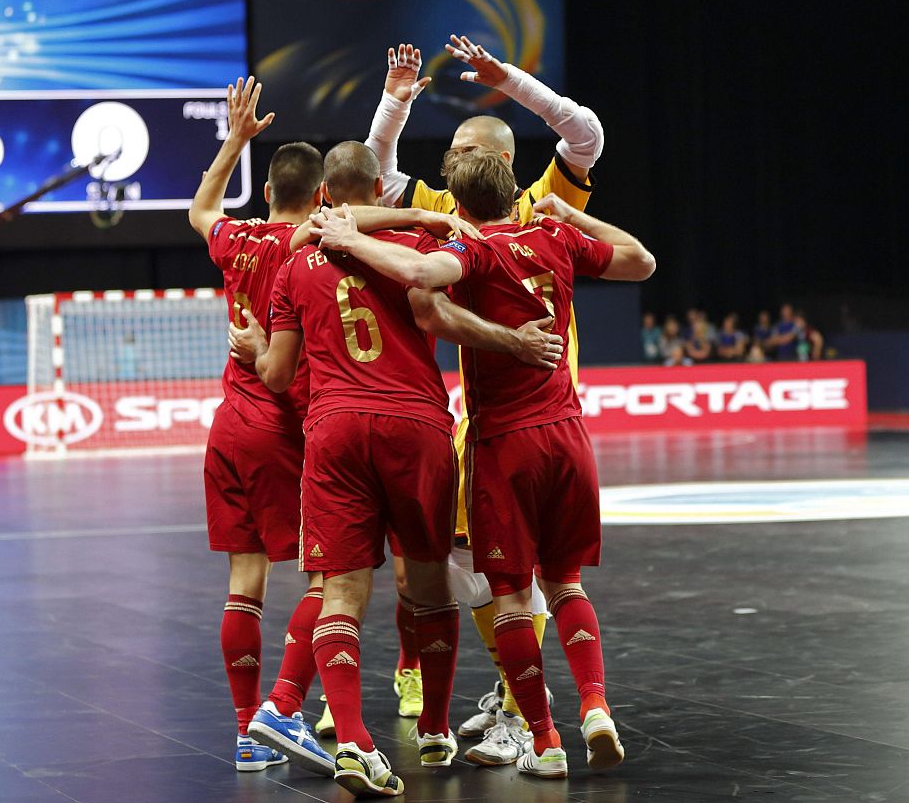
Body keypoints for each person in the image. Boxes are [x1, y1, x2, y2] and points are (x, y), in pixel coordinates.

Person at [230, 141, 563, 798]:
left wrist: (256, 348)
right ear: (381, 189)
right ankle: (435, 729)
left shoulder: (295, 263)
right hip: (416, 429)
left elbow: (278, 374)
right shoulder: (414, 243)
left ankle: (354, 741)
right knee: (430, 584)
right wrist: (515, 342)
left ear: (324, 195)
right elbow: (444, 314)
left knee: (341, 593)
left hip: (335, 432)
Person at [309, 150, 654, 778]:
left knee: (512, 598)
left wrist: (351, 237)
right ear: (516, 192)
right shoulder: (554, 237)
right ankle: (596, 705)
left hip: (505, 443)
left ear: (461, 207)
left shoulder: (475, 248)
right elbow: (641, 260)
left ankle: (543, 740)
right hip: (569, 434)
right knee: (566, 584)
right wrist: (572, 216)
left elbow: (420, 274)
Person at [362, 39, 605, 733]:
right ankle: (520, 700)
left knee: (512, 575)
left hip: (537, 413)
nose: (451, 161)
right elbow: (380, 176)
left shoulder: (539, 207)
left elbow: (585, 135)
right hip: (487, 417)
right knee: (473, 572)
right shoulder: (448, 211)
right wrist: (395, 103)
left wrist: (513, 83)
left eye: (464, 150)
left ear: (499, 158)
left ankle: (526, 714)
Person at [187, 78, 333, 774]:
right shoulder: (307, 249)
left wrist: (236, 139)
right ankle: (284, 708)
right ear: (320, 195)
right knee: (328, 580)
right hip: (280, 430)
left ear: (268, 190)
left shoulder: (237, 239)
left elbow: (202, 209)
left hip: (227, 430)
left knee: (244, 584)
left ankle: (246, 734)